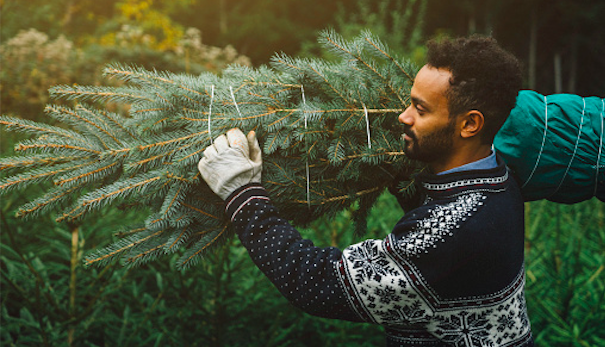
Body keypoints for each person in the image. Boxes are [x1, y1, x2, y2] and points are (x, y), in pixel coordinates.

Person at [197, 36, 533, 346]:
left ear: (470, 124)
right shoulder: (499, 180)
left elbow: (316, 283)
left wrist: (241, 190)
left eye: (421, 109)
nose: (404, 116)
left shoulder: (451, 233)